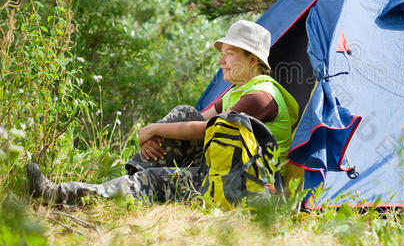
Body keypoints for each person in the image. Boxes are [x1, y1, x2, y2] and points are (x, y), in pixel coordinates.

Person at [27, 20, 300, 205]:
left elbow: (207, 130)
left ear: (252, 59)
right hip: (223, 168)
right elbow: (198, 120)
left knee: (154, 179)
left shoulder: (262, 96)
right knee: (184, 112)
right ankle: (131, 180)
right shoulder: (236, 91)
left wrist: (152, 129)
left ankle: (60, 194)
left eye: (229, 54)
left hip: (243, 187)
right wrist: (153, 134)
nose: (221, 61)